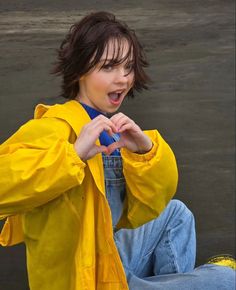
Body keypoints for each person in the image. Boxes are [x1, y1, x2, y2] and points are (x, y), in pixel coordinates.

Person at [0, 11, 235, 290]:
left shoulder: (113, 131)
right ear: (79, 71)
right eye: (109, 67)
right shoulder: (53, 127)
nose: (123, 79)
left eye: (128, 67)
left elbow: (148, 207)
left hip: (109, 255)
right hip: (82, 279)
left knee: (175, 214)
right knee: (225, 278)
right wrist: (72, 156)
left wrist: (144, 152)